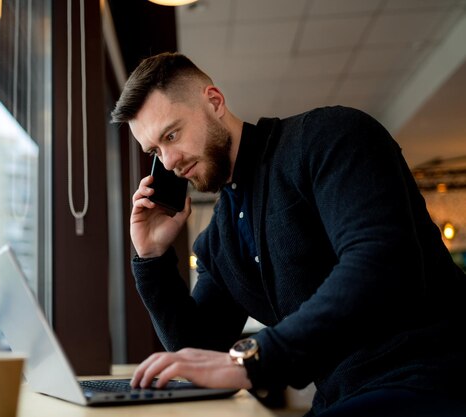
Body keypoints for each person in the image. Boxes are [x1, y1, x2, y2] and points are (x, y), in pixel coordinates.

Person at [110, 52, 466, 417]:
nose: (168, 161)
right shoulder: (221, 237)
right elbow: (200, 350)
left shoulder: (330, 136)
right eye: (155, 150)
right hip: (343, 397)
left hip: (434, 378)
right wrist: (152, 257)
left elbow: (379, 265)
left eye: (172, 135)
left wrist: (254, 360)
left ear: (214, 102)